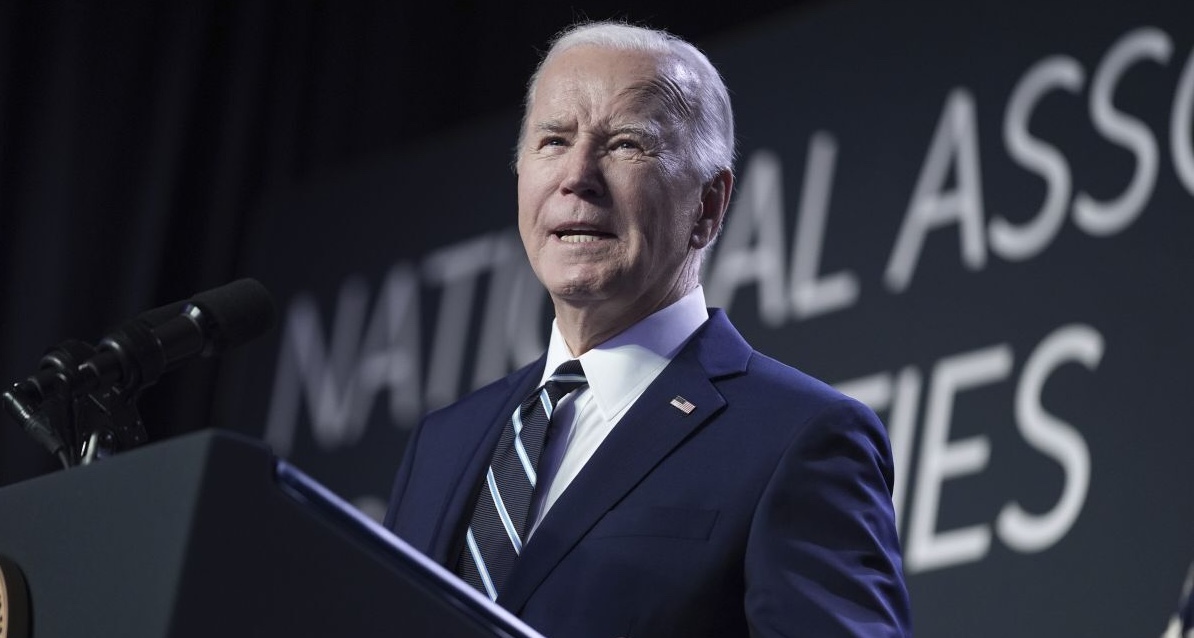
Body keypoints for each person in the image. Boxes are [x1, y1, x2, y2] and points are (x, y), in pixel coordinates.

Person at [384, 21, 911, 637]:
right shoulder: (444, 443)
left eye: (626, 145)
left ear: (709, 206)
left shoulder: (798, 438)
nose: (576, 176)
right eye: (553, 140)